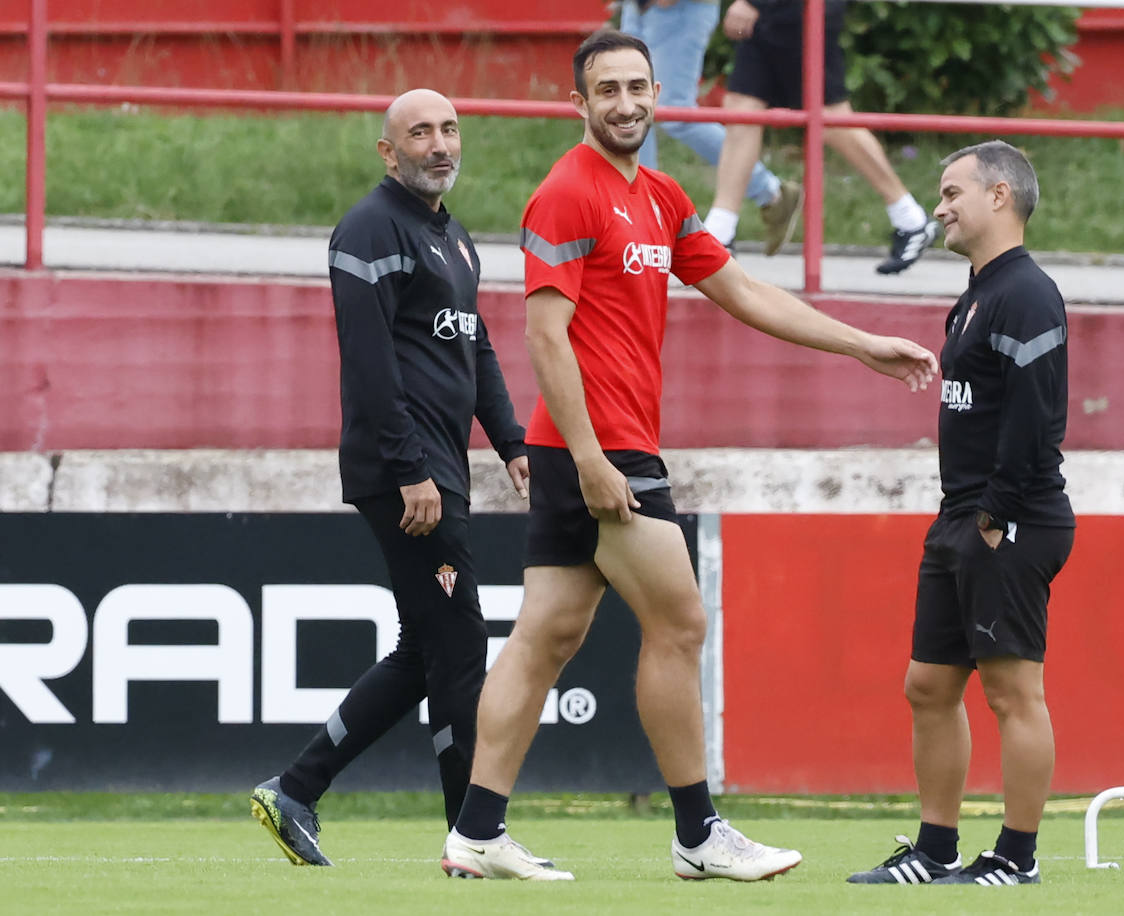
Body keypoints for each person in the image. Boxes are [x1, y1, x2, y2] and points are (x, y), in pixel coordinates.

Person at [438, 29, 939, 882]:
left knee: (543, 637)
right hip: (599, 451)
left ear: (657, 92)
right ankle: (698, 834)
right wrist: (593, 457)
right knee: (680, 623)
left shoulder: (664, 196)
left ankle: (476, 833)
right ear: (579, 104)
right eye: (608, 91)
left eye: (639, 86)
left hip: (598, 449)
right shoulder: (566, 191)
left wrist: (860, 344)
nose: (627, 103)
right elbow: (543, 336)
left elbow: (740, 290)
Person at [249, 88, 530, 867]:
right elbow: (369, 368)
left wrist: (512, 441)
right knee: (460, 642)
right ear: (388, 150)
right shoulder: (371, 228)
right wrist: (411, 471)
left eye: (448, 129)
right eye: (420, 133)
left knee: (433, 647)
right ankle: (475, 834)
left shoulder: (456, 239)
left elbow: (477, 351)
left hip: (444, 470)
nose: (439, 144)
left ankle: (299, 790)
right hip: (405, 475)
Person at [847, 140, 1074, 888]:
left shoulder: (1027, 293)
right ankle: (936, 850)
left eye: (951, 193)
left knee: (1013, 691)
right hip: (961, 518)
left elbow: (1039, 422)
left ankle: (1017, 858)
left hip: (1007, 520)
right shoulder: (975, 292)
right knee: (928, 685)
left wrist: (995, 514)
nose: (938, 207)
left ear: (1000, 196)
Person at [708, 0, 940, 274]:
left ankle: (910, 218)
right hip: (771, 15)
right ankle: (720, 232)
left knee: (830, 118)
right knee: (742, 109)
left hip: (803, 11)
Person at [618, 0, 803, 255]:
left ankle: (769, 190)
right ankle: (640, 216)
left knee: (673, 112)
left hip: (680, 7)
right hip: (640, 6)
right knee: (633, 107)